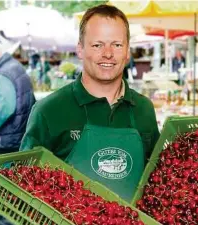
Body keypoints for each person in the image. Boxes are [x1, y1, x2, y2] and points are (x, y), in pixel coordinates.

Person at [20, 4, 160, 202]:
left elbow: (159, 181)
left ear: (128, 51)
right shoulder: (49, 111)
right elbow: (25, 189)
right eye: (97, 45)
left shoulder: (144, 109)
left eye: (117, 45)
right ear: (80, 49)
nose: (108, 54)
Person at [0, 38, 36, 225]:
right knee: (15, 189)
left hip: (7, 143)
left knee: (5, 192)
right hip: (18, 139)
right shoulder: (14, 68)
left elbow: (6, 108)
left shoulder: (3, 73)